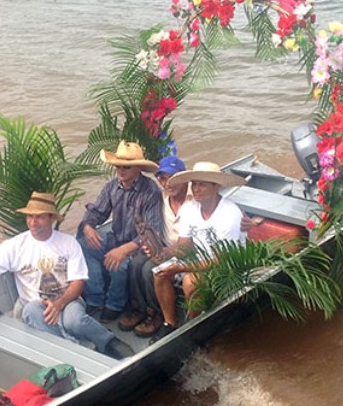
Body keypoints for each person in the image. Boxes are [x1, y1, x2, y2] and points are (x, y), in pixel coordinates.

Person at [0, 192, 134, 360]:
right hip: (35, 305)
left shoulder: (68, 243)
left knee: (76, 320)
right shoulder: (15, 246)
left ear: (51, 218)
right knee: (31, 310)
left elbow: (78, 282)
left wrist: (59, 304)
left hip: (68, 300)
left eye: (39, 217)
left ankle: (109, 342)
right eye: (29, 217)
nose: (32, 222)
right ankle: (75, 350)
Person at [149, 161, 247, 343]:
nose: (196, 189)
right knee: (159, 273)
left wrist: (179, 268)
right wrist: (163, 254)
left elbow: (222, 261)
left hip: (227, 267)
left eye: (202, 184)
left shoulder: (230, 214)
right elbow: (184, 246)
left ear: (216, 186)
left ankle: (194, 328)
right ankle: (169, 324)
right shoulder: (189, 209)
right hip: (198, 260)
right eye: (194, 184)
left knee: (190, 281)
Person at [77, 141, 164, 323]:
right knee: (82, 246)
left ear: (138, 168)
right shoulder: (112, 187)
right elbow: (96, 212)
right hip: (115, 240)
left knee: (119, 263)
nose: (120, 170)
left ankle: (115, 305)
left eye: (126, 167)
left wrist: (124, 250)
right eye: (118, 166)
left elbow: (151, 232)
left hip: (137, 249)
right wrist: (88, 227)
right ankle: (95, 298)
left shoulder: (151, 191)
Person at [119, 154, 191, 337]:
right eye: (163, 179)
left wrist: (245, 220)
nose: (168, 184)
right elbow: (145, 221)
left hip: (186, 251)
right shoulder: (160, 197)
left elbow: (215, 203)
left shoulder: (194, 199)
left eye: (173, 178)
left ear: (183, 177)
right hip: (164, 247)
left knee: (149, 269)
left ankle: (157, 313)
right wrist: (148, 244)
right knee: (135, 264)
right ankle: (141, 309)